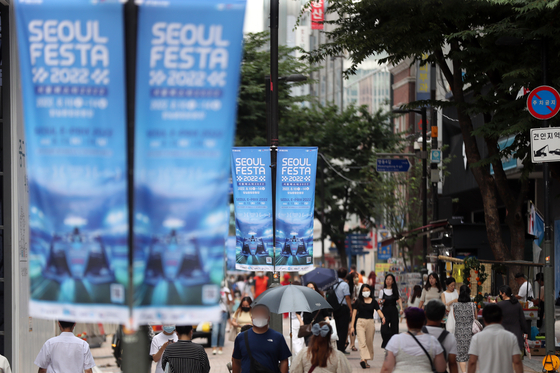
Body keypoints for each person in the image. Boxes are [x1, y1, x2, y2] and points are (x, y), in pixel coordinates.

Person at [380, 308, 446, 373]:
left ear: (407, 322)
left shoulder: (396, 340)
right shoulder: (433, 341)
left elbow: (386, 368)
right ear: (423, 322)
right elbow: (441, 368)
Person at [232, 304, 291, 373]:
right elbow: (236, 360)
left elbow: (284, 360)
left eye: (263, 314)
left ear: (268, 318)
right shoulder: (241, 337)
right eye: (257, 314)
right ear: (252, 318)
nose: (260, 316)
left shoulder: (278, 337)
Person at [467, 304, 523, 373]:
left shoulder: (477, 338)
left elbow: (472, 362)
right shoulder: (511, 337)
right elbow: (517, 361)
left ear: (484, 320)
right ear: (501, 319)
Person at [350, 284, 386, 369]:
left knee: (369, 342)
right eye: (364, 291)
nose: (366, 292)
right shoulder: (358, 301)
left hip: (370, 323)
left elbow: (378, 310)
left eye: (367, 290)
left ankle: (365, 362)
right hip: (360, 323)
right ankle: (362, 359)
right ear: (361, 292)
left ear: (370, 291)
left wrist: (383, 317)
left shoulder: (373, 301)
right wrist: (352, 326)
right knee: (362, 342)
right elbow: (354, 314)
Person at [424, 300, 459, 373]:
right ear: (443, 316)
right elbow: (452, 363)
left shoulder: (417, 334)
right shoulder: (449, 337)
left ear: (425, 313)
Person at [497, 285, 530, 353]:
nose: (499, 295)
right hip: (516, 335)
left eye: (500, 293)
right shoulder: (517, 305)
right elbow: (522, 319)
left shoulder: (499, 305)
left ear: (504, 294)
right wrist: (525, 331)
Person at [452, 285, 475, 373]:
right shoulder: (473, 305)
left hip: (459, 333)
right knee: (471, 355)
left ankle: (464, 372)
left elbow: (455, 318)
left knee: (461, 356)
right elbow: (475, 318)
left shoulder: (455, 306)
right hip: (471, 333)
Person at [379, 273, 404, 349]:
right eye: (387, 279)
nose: (388, 281)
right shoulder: (382, 291)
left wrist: (401, 308)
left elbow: (399, 300)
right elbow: (379, 300)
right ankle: (386, 343)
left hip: (393, 310)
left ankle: (393, 346)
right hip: (385, 311)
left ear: (393, 281)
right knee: (384, 329)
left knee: (394, 329)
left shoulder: (395, 291)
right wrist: (381, 302)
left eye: (390, 279)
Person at [332, 268, 352, 353]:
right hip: (343, 308)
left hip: (335, 308)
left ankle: (338, 347)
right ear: (345, 275)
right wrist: (350, 309)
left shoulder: (333, 283)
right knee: (343, 329)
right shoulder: (345, 284)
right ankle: (341, 348)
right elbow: (347, 297)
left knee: (337, 328)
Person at [212, 282, 233, 355]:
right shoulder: (214, 288)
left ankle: (220, 347)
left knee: (222, 331)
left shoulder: (226, 290)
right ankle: (214, 348)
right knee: (215, 330)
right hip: (215, 312)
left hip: (224, 312)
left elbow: (229, 302)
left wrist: (227, 295)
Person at [348, 272, 362, 352]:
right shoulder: (349, 286)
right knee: (350, 325)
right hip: (351, 307)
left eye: (357, 277)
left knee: (354, 325)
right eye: (354, 277)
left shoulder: (360, 286)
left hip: (357, 307)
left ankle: (353, 344)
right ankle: (350, 343)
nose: (356, 278)